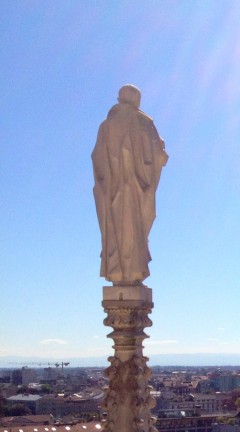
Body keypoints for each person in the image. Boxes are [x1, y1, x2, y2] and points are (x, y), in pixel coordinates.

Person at [92, 84, 167, 284]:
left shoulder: (106, 126)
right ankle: (133, 271)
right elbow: (160, 156)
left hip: (112, 192)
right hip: (137, 190)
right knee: (136, 226)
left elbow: (97, 160)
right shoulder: (144, 122)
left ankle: (117, 270)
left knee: (117, 228)